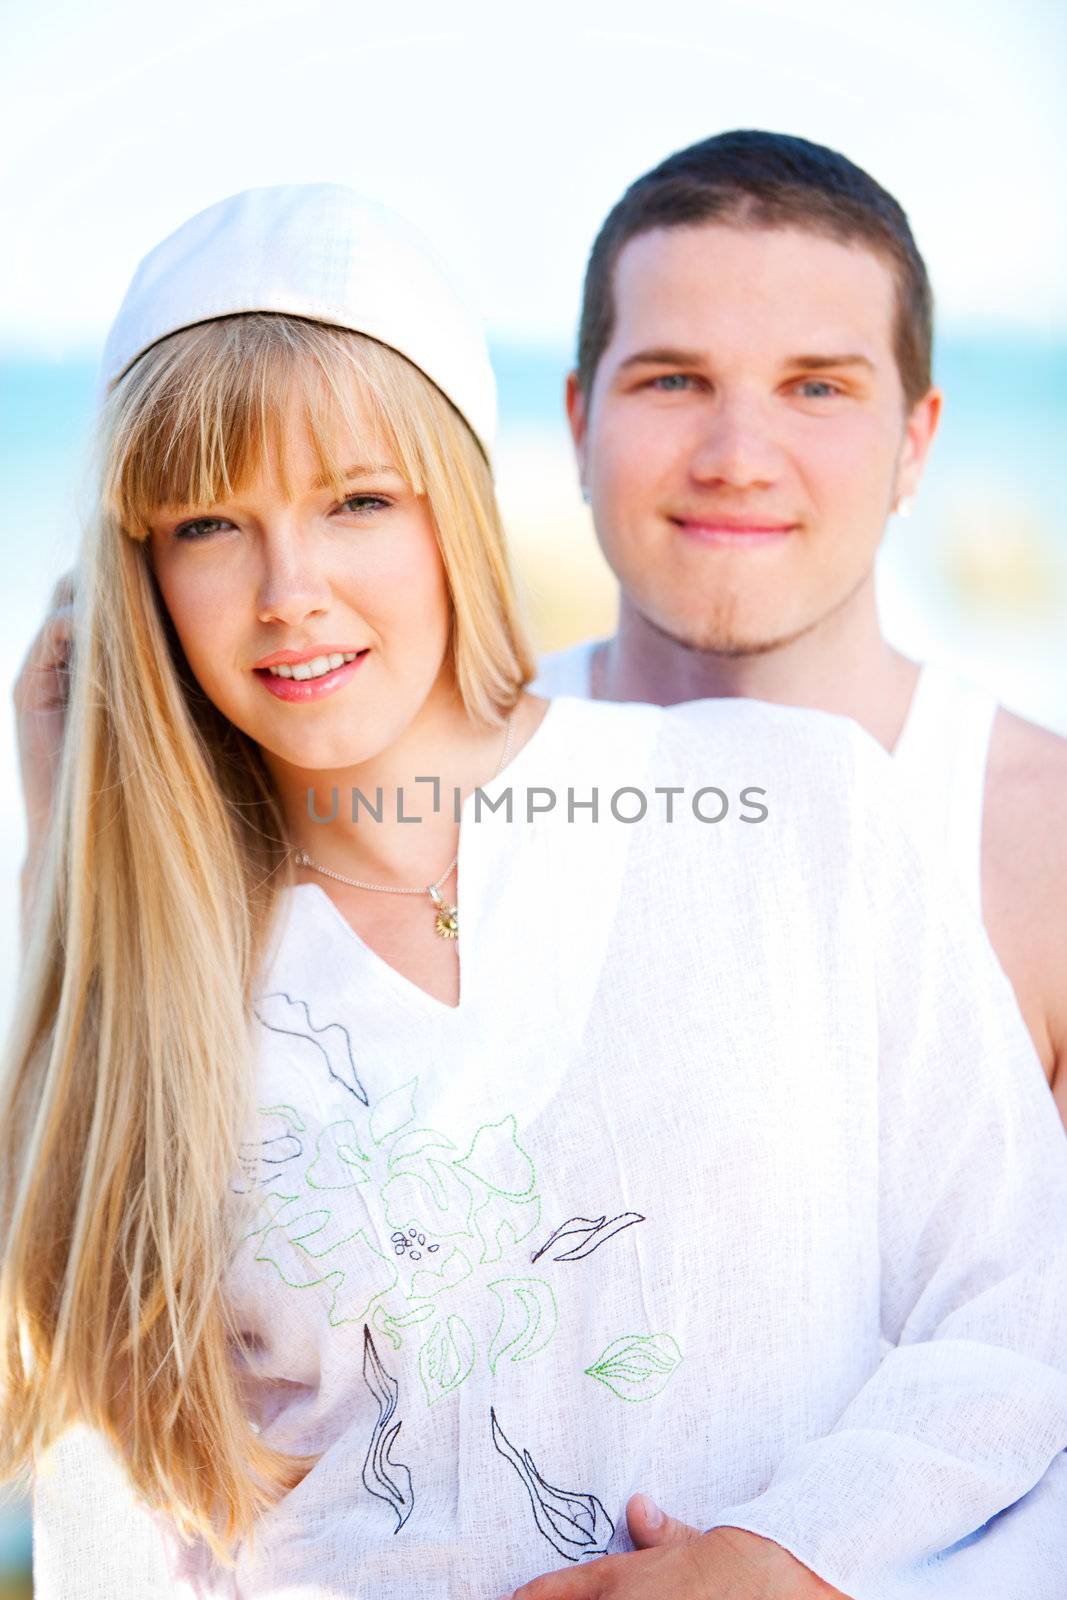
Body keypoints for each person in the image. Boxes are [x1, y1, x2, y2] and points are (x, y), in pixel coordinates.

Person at [5, 184, 1067, 1600]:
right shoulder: (162, 984)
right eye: (206, 524)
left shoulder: (794, 803)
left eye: (356, 501)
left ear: (450, 507)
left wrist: (785, 1559)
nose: (288, 590)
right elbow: (129, 1518)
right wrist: (67, 866)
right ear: (141, 576)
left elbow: (1018, 1298)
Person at [532, 129, 1067, 1123]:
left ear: (914, 444)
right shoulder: (426, 798)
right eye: (671, 380)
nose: (737, 457)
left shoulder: (1046, 849)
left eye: (815, 387)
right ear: (578, 424)